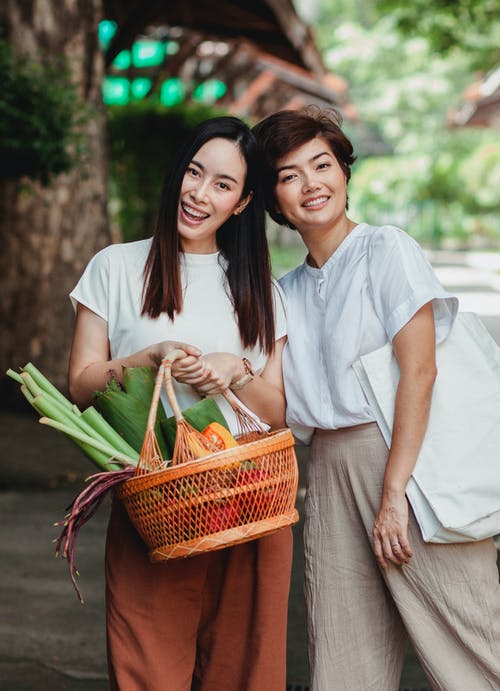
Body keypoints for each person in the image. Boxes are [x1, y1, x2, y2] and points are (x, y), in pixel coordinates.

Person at [253, 106, 500, 691]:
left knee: (468, 633)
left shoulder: (384, 250)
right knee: (342, 649)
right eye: (290, 175)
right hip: (329, 470)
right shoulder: (283, 292)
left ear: (344, 171)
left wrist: (393, 494)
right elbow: (277, 403)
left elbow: (419, 371)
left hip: (406, 460)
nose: (312, 183)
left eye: (323, 164)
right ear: (273, 198)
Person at [68, 116, 292, 691]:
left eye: (222, 184)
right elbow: (82, 384)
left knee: (242, 673)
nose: (199, 193)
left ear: (242, 203)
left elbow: (276, 410)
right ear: (178, 174)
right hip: (154, 505)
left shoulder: (258, 288)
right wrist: (149, 357)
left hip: (246, 502)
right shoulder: (116, 266)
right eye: (194, 173)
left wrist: (233, 372)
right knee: (148, 671)